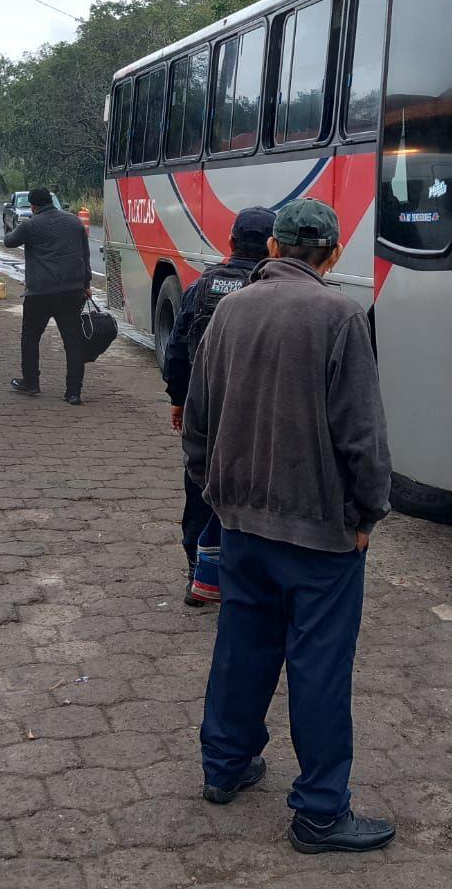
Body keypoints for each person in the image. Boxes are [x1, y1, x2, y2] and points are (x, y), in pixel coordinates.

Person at [183, 198, 396, 855]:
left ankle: (224, 766)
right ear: (333, 254)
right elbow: (363, 437)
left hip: (242, 524)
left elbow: (198, 418)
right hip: (320, 535)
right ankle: (320, 813)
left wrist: (217, 495)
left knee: (241, 648)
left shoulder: (229, 309)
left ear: (273, 247)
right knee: (319, 668)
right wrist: (368, 515)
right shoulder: (340, 316)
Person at [163, 206, 276, 607]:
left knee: (199, 491)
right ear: (273, 247)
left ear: (230, 241)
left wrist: (178, 400)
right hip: (257, 417)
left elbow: (177, 349)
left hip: (206, 412)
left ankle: (199, 575)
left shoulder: (201, 287)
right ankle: (247, 579)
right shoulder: (273, 293)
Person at [5, 186, 92, 405]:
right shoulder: (74, 222)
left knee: (30, 337)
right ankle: (74, 392)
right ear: (51, 201)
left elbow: (9, 241)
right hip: (72, 291)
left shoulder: (31, 224)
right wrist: (86, 284)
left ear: (33, 206)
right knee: (73, 342)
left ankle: (31, 382)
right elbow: (85, 255)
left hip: (40, 292)